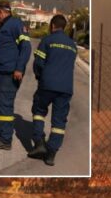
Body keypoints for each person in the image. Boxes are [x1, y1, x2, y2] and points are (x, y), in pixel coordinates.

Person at [28, 14, 78, 166]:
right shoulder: (73, 45)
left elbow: (38, 63)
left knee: (38, 111)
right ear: (64, 27)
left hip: (47, 85)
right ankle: (51, 154)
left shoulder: (48, 40)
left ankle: (39, 143)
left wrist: (39, 77)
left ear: (52, 25)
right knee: (59, 121)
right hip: (66, 88)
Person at [0, 0, 31, 150]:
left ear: (1, 12)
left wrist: (19, 68)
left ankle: (5, 139)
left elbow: (26, 47)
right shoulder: (3, 26)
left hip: (10, 74)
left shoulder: (16, 24)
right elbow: (0, 52)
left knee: (4, 106)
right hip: (0, 73)